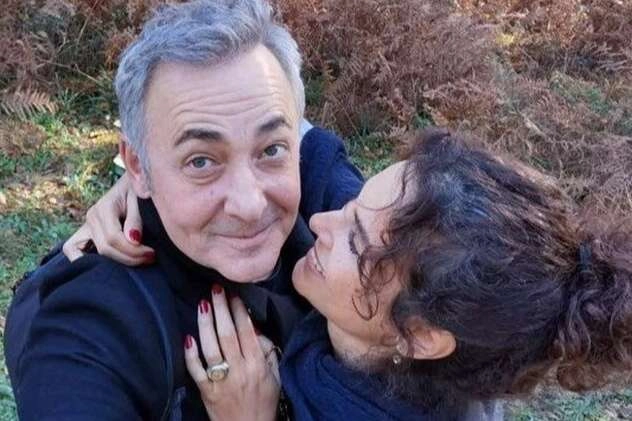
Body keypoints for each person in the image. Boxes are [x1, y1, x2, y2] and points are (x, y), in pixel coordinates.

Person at [4, 1, 363, 419]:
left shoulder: (338, 216)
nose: (249, 205)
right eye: (201, 161)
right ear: (137, 166)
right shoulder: (92, 323)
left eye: (270, 149)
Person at [180, 129, 632, 420]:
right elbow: (298, 135)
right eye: (353, 207)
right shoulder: (438, 309)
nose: (321, 222)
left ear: (419, 335)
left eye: (355, 241)